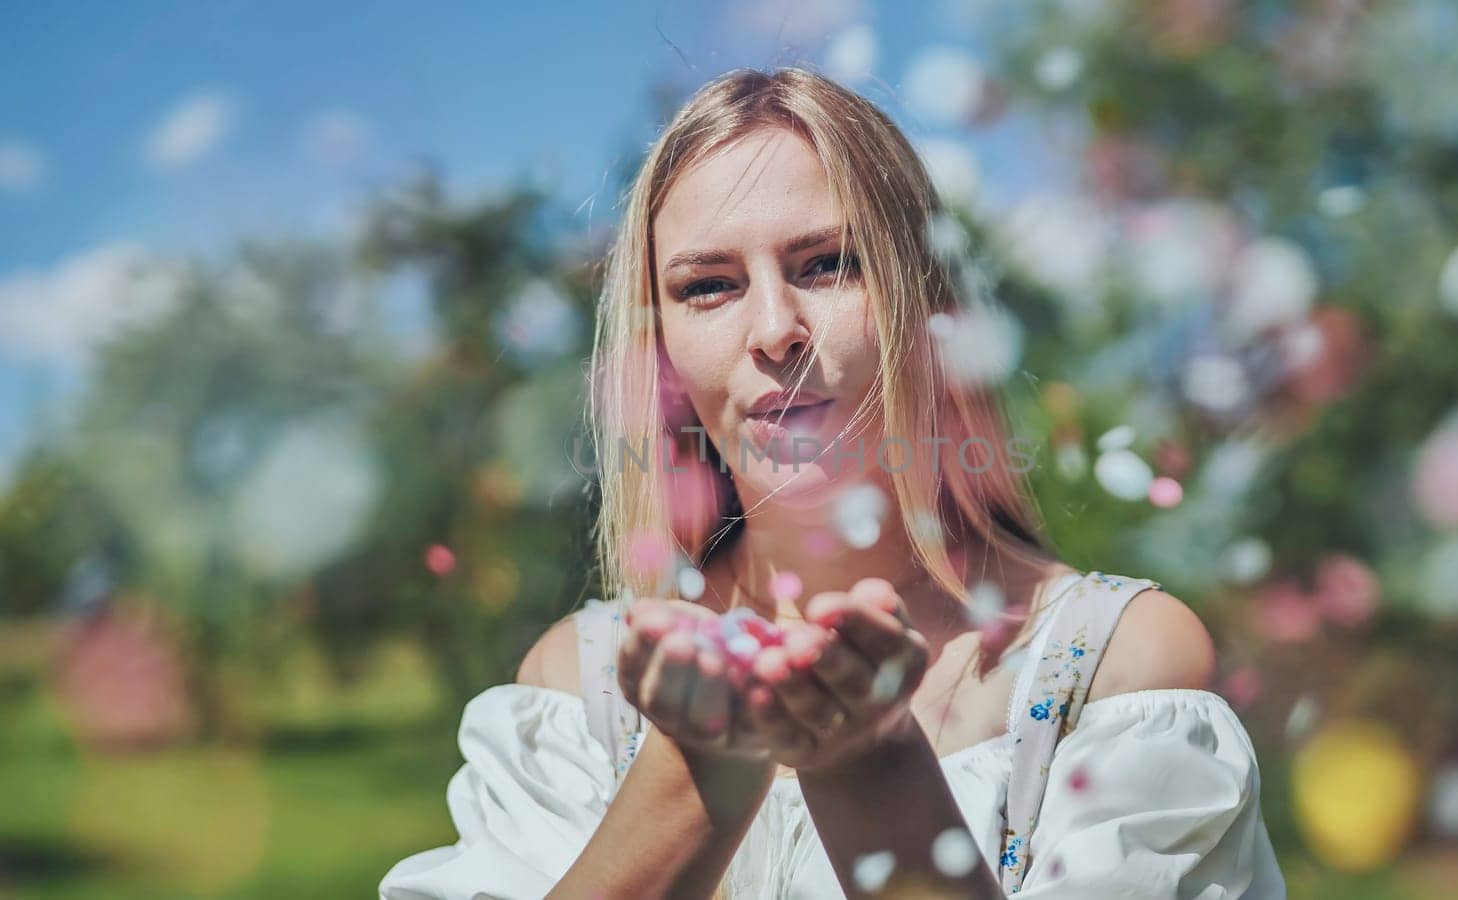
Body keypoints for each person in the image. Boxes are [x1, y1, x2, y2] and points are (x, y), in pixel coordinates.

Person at [380, 66, 1286, 899]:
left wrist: (867, 759)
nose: (776, 329)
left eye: (828, 264)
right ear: (660, 355)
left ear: (928, 303)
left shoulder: (1109, 670)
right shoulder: (583, 690)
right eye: (708, 286)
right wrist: (698, 765)